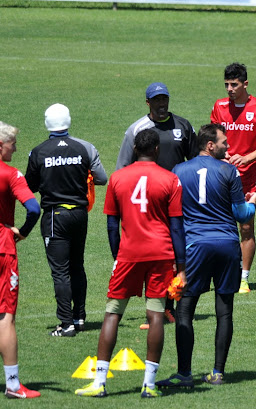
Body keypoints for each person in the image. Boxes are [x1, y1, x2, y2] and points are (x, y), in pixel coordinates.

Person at [75, 129, 185, 398]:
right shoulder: (171, 179)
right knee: (156, 314)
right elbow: (177, 226)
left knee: (113, 313)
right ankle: (149, 384)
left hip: (129, 254)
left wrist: (117, 255)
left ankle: (99, 384)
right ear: (157, 149)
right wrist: (181, 266)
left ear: (135, 149)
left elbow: (112, 224)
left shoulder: (117, 178)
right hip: (161, 254)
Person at [158, 124, 256, 388]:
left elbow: (172, 213)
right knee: (224, 311)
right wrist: (253, 201)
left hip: (195, 247)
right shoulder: (229, 170)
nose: (229, 147)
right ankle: (217, 373)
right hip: (227, 245)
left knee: (184, 310)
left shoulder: (178, 171)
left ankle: (184, 374)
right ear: (210, 145)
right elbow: (242, 216)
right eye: (224, 143)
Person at [118, 82, 198, 328]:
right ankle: (154, 305)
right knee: (149, 252)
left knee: (174, 251)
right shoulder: (137, 130)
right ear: (148, 103)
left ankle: (168, 306)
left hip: (175, 199)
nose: (162, 105)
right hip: (146, 202)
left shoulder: (183, 126)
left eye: (165, 99)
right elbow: (122, 168)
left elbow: (195, 162)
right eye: (156, 100)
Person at [25, 103, 108, 337]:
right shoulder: (85, 147)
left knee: (60, 271)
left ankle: (65, 323)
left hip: (55, 217)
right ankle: (79, 318)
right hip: (80, 215)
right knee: (77, 266)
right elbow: (102, 179)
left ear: (47, 123)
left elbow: (29, 186)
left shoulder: (38, 152)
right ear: (69, 121)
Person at [211, 62, 256, 293]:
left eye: (234, 84)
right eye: (227, 84)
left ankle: (243, 278)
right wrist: (224, 154)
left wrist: (247, 158)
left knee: (246, 228)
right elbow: (213, 137)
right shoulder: (219, 106)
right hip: (220, 177)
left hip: (248, 179)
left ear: (245, 84)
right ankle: (220, 274)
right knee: (219, 226)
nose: (229, 89)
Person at [0, 122, 41, 399]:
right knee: (5, 317)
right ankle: (13, 384)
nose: (15, 147)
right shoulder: (11, 174)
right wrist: (22, 233)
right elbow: (34, 208)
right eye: (12, 142)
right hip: (3, 247)